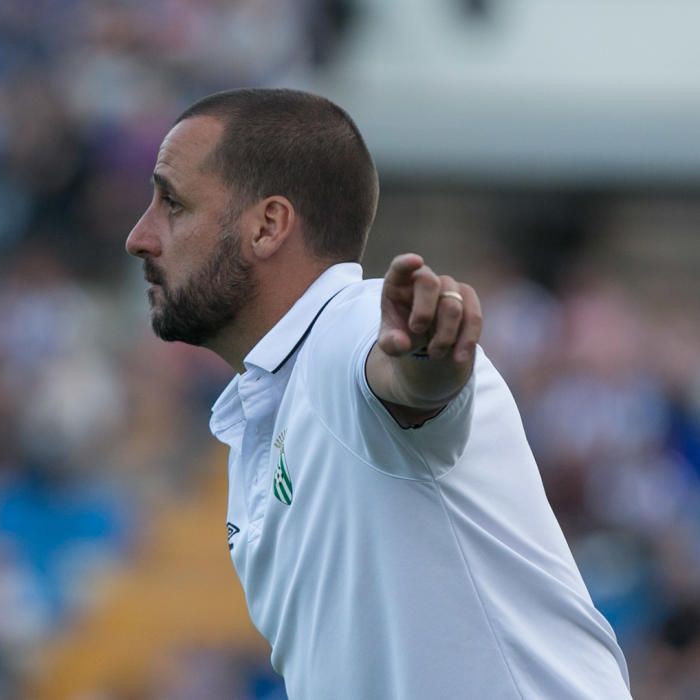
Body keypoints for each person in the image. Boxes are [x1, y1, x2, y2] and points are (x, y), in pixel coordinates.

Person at [125, 88, 632, 700]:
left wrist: (425, 363)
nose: (140, 236)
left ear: (268, 226)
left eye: (172, 203)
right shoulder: (261, 414)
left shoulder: (351, 324)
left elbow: (399, 384)